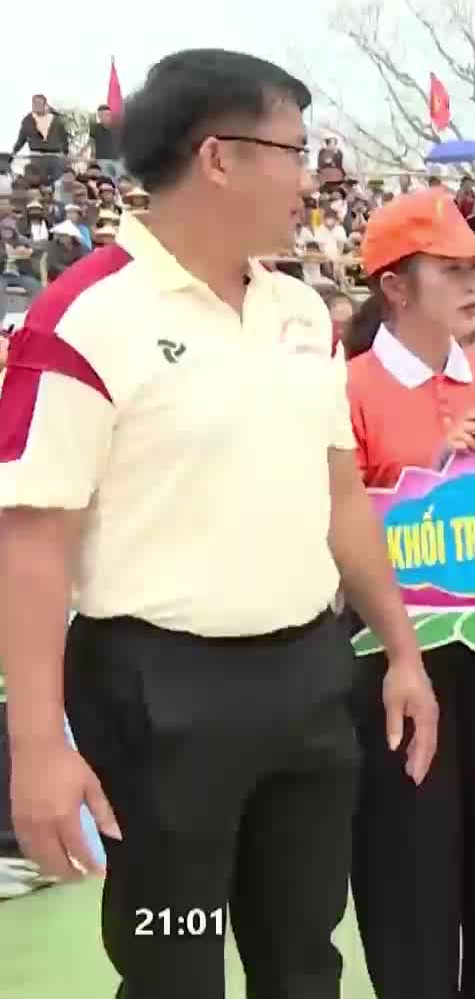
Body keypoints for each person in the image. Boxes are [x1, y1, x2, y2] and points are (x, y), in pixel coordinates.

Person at [0, 49, 438, 997]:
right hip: (159, 695)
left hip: (309, 680)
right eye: (295, 148)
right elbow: (33, 543)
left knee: (302, 956)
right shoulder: (81, 321)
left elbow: (341, 496)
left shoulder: (301, 313)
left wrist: (399, 649)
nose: (314, 176)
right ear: (220, 157)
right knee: (175, 964)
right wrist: (37, 747)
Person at [339, 191, 475, 998]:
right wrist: (431, 466)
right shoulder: (348, 386)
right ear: (395, 286)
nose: (474, 285)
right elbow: (332, 520)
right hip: (397, 654)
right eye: (452, 270)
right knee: (408, 864)